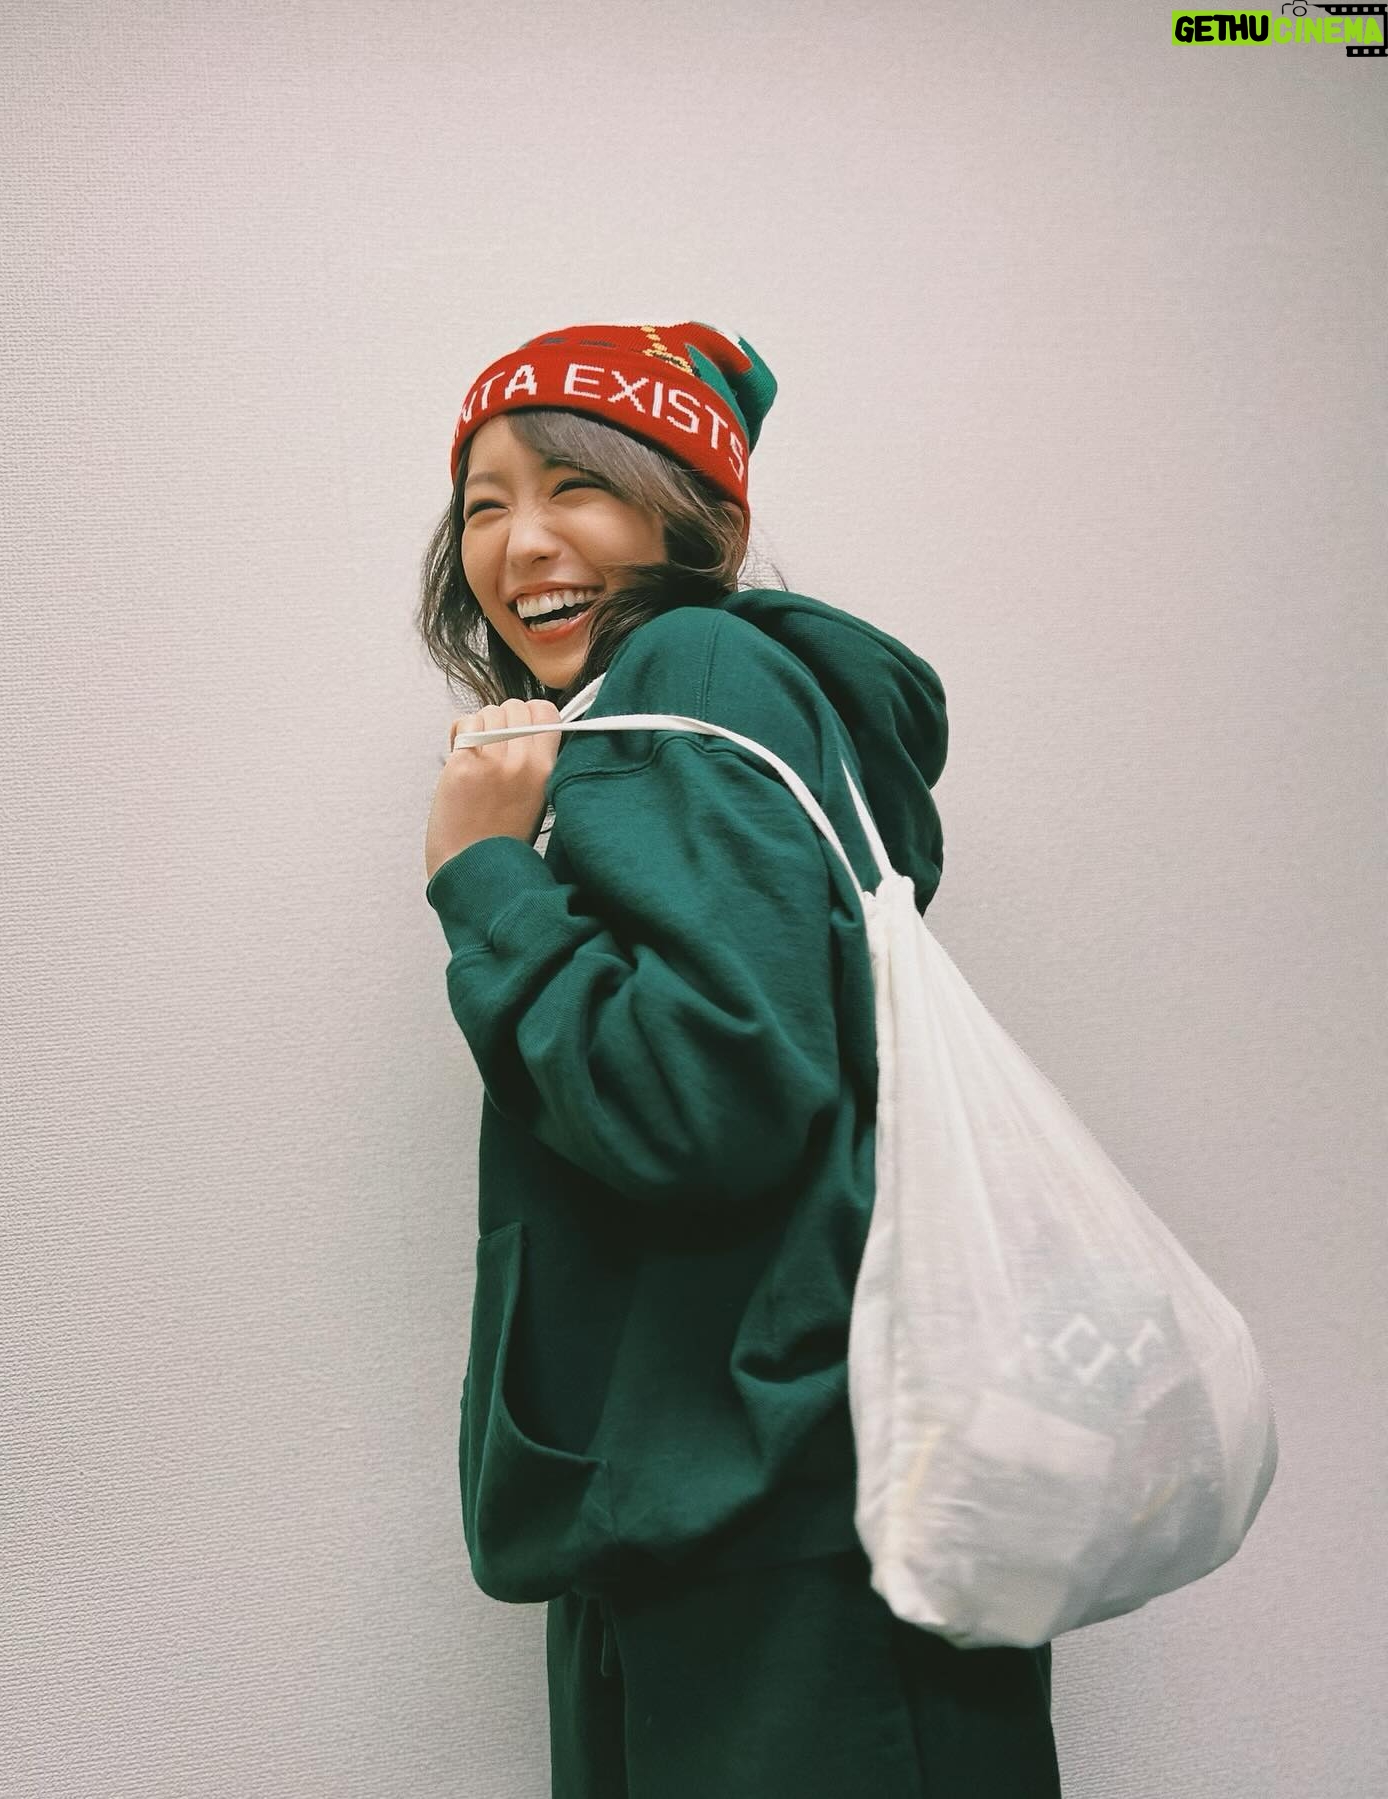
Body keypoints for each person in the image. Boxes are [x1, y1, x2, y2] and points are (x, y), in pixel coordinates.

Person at [417, 321, 1061, 1798]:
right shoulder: (699, 704)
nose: (521, 544)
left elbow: (704, 1099)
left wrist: (482, 877)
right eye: (484, 504)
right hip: (764, 1488)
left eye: (575, 484)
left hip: (767, 1521)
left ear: (696, 515)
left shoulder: (691, 665)